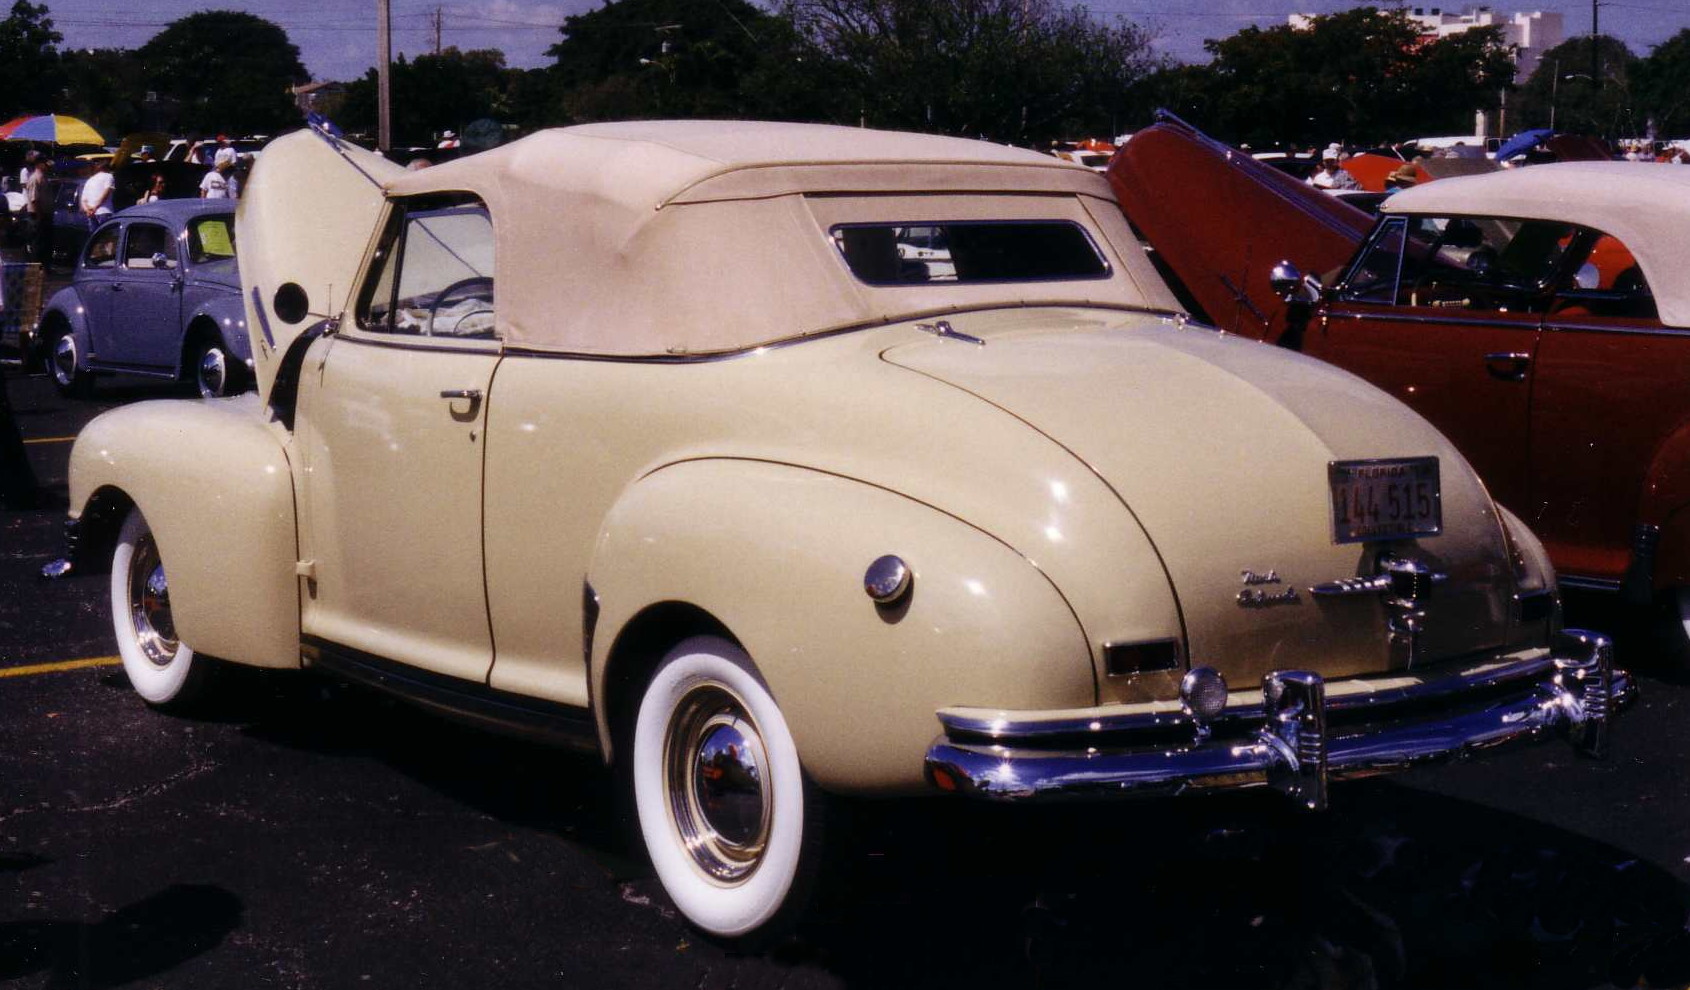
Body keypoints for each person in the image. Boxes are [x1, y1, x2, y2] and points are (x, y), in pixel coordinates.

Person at [25, 158, 52, 265]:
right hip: (37, 215)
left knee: (45, 242)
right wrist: (39, 216)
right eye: (45, 163)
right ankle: (37, 267)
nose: (47, 166)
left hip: (45, 214)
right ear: (39, 164)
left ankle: (45, 266)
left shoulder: (44, 177)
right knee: (37, 242)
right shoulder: (34, 178)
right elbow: (34, 199)